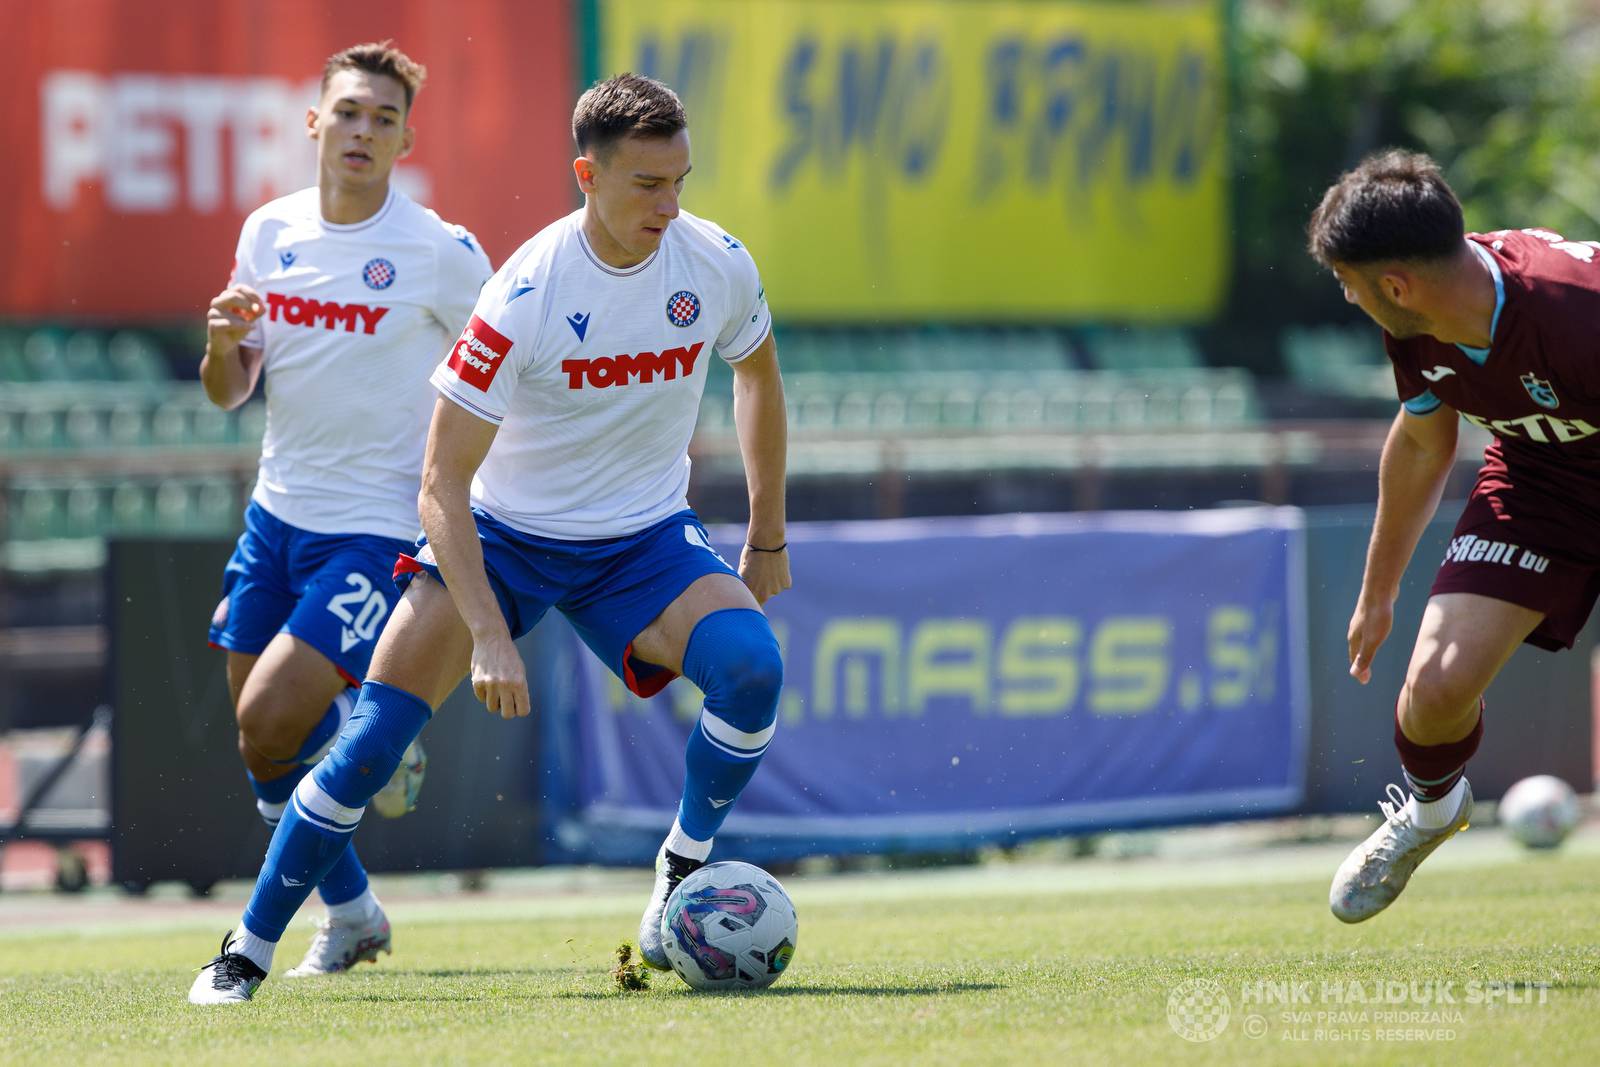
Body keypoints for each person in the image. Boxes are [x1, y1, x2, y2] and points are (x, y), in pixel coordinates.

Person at [188, 72, 789, 1004]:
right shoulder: (526, 291)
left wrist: (768, 534)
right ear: (586, 174)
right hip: (504, 538)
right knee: (367, 744)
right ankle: (247, 950)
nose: (669, 207)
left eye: (680, 182)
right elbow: (440, 483)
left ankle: (677, 872)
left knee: (754, 668)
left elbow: (756, 371)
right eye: (646, 186)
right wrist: (491, 633)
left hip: (642, 540)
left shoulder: (714, 260)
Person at [195, 40, 491, 986]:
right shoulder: (268, 232)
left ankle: (364, 736)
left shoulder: (438, 252)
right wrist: (222, 343)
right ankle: (356, 908)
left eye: (384, 117)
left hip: (375, 527)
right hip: (275, 516)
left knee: (276, 713)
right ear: (315, 121)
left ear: (406, 139)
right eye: (350, 111)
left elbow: (505, 366)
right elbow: (229, 390)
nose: (364, 129)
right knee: (261, 736)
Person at [1308, 149, 1600, 922]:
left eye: (1350, 284)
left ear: (1394, 284)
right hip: (1541, 482)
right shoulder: (1416, 324)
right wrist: (1378, 593)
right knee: (1434, 688)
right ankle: (1433, 812)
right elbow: (1422, 441)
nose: (1350, 297)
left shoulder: (1580, 311)